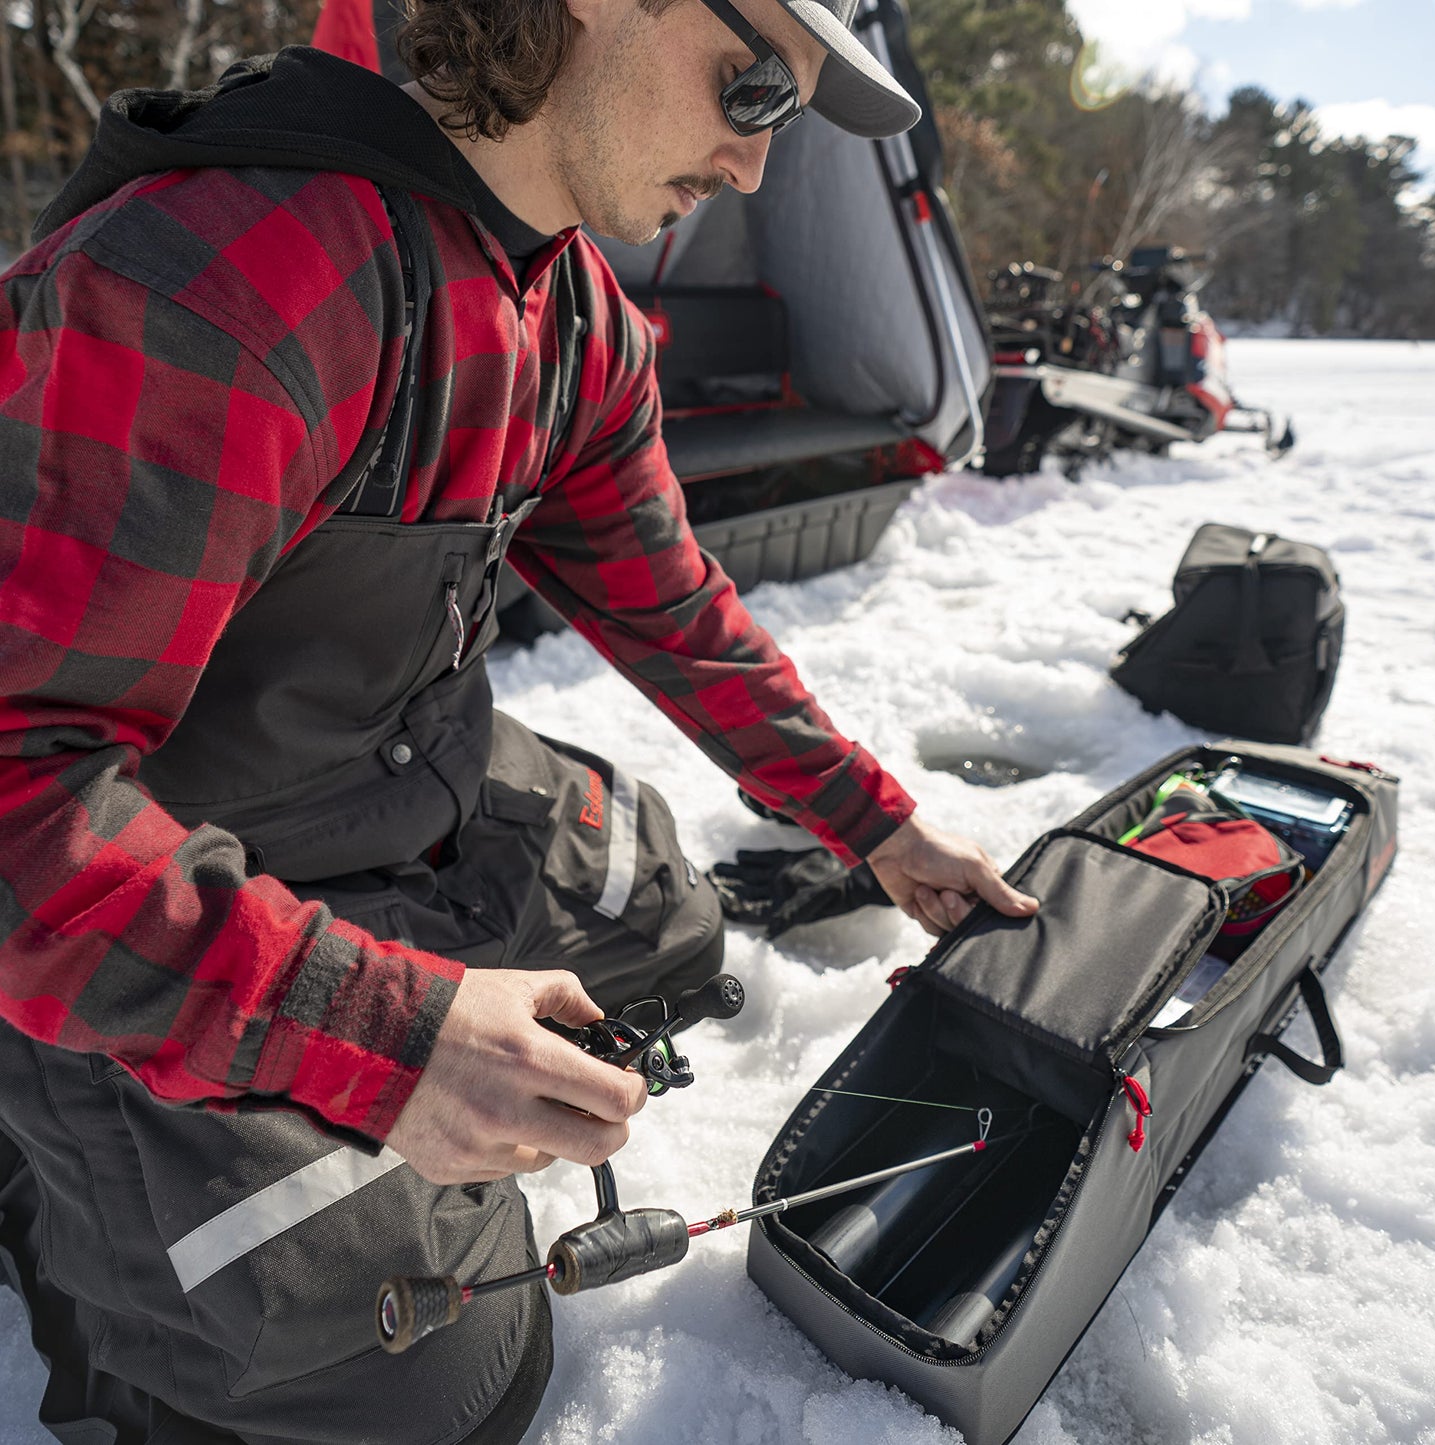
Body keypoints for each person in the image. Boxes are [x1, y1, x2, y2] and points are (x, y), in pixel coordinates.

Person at [0, 0, 1039, 1438]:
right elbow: (20, 802)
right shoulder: (228, 278)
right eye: (753, 89)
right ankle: (68, 1193)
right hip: (163, 866)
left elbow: (673, 609)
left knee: (672, 926)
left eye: (785, 119)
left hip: (405, 780)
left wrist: (877, 823)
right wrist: (384, 1031)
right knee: (446, 1379)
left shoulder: (575, 313)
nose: (754, 167)